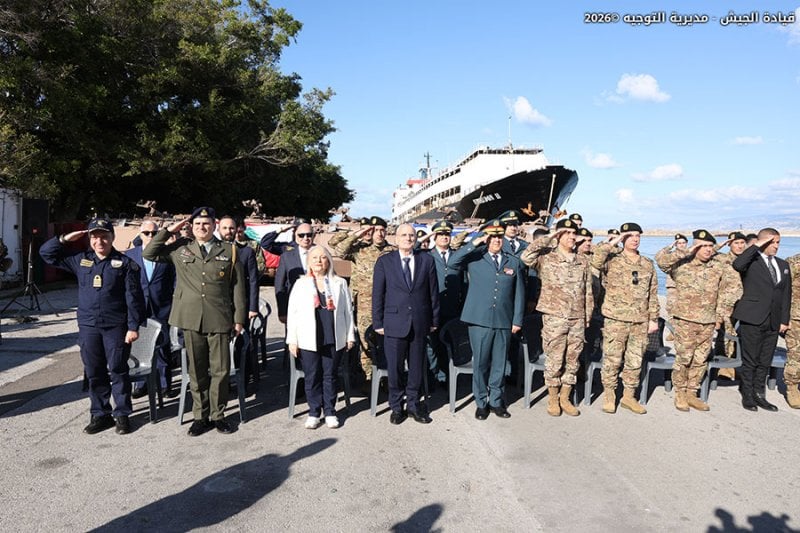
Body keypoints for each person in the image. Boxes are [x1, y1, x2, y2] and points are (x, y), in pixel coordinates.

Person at [143, 207, 247, 436]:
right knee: (196, 370)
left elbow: (239, 287)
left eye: (206, 224)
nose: (202, 227)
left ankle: (219, 415)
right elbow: (149, 253)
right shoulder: (181, 249)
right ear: (192, 226)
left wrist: (239, 318)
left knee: (220, 371)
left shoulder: (229, 251)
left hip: (220, 317)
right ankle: (201, 416)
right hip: (190, 318)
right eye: (198, 223)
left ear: (214, 225)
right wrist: (172, 228)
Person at [40, 217, 145, 435]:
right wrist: (65, 238)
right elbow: (46, 254)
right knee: (94, 371)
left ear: (112, 238)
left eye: (104, 236)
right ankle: (100, 414)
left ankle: (122, 414)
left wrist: (133, 327)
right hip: (89, 326)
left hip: (115, 326)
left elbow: (134, 298)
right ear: (89, 239)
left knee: (117, 369)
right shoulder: (80, 260)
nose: (100, 241)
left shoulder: (125, 264)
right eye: (95, 237)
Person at [655, 230, 742, 412]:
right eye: (704, 246)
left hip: (709, 321)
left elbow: (733, 289)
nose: (708, 250)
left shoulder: (718, 265)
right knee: (684, 358)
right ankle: (680, 393)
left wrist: (720, 314)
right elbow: (661, 260)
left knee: (700, 359)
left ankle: (691, 393)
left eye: (711, 246)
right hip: (685, 320)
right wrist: (686, 251)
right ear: (695, 247)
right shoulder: (681, 264)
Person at [450, 219, 525, 420]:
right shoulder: (475, 258)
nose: (496, 241)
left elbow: (519, 294)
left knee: (500, 365)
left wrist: (517, 320)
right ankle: (481, 402)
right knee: (481, 363)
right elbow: (453, 262)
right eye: (492, 237)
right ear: (487, 239)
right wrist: (476, 241)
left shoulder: (513, 262)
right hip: (479, 320)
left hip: (503, 320)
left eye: (499, 237)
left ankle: (496, 402)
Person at [520, 219, 593, 417]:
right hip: (554, 317)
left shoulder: (582, 260)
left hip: (577, 317)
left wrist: (587, 316)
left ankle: (565, 397)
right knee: (554, 359)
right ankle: (552, 398)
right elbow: (526, 257)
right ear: (559, 235)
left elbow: (587, 290)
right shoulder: (547, 258)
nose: (571, 236)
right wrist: (549, 236)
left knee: (573, 359)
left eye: (573, 233)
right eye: (566, 232)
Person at [372, 223, 440, 424]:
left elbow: (433, 293)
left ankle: (413, 405)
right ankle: (396, 406)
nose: (408, 238)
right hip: (393, 323)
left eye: (411, 235)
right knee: (395, 368)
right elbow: (378, 294)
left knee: (416, 368)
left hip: (419, 322)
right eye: (404, 235)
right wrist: (378, 322)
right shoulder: (385, 262)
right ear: (396, 238)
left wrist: (434, 320)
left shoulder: (426, 260)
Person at [591, 223, 659, 414]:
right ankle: (609, 394)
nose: (635, 239)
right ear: (623, 238)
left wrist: (653, 318)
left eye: (638, 236)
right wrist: (616, 241)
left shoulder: (647, 263)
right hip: (616, 318)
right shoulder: (612, 259)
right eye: (630, 236)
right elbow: (595, 260)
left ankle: (629, 396)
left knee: (635, 360)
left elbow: (652, 293)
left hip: (639, 320)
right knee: (612, 359)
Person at [286, 246, 356, 429]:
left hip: (333, 335)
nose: (319, 261)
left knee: (330, 375)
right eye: (315, 257)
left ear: (329, 262)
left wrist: (350, 335)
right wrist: (292, 340)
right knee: (312, 376)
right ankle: (314, 412)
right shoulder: (301, 284)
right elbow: (292, 313)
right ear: (309, 262)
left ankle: (331, 411)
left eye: (323, 258)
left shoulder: (339, 283)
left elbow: (348, 312)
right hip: (308, 338)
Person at [330, 216, 396, 387]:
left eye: (382, 230)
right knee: (366, 342)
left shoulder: (393, 251)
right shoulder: (360, 250)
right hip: (365, 304)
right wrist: (358, 233)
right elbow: (338, 250)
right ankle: (369, 378)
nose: (379, 234)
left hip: (389, 304)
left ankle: (387, 378)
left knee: (388, 341)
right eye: (374, 230)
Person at [731, 228, 791, 412]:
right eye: (773, 242)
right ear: (763, 242)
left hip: (773, 320)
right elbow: (737, 264)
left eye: (778, 242)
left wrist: (784, 320)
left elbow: (786, 295)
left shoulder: (782, 265)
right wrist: (756, 245)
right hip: (753, 317)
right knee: (751, 359)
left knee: (765, 360)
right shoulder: (751, 262)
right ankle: (747, 395)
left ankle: (760, 394)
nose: (776, 246)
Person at [126, 220, 177, 398]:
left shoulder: (168, 255)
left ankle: (164, 384)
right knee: (139, 345)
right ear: (140, 235)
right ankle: (141, 384)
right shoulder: (130, 255)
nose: (150, 236)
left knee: (163, 346)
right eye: (146, 233)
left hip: (161, 307)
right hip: (138, 307)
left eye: (154, 233)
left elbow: (175, 281)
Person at [427, 220, 467, 384]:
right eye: (440, 234)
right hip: (431, 309)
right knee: (431, 346)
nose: (444, 237)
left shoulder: (458, 256)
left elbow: (464, 282)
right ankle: (432, 374)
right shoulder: (427, 255)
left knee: (449, 344)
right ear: (435, 236)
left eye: (447, 234)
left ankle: (446, 376)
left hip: (452, 308)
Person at [713, 231, 747, 377]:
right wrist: (719, 245)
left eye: (742, 243)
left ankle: (733, 365)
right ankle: (722, 368)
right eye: (735, 243)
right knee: (724, 335)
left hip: (744, 304)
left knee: (738, 336)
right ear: (729, 244)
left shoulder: (749, 260)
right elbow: (708, 253)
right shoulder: (722, 259)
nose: (739, 246)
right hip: (725, 304)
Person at [274, 222, 316, 322]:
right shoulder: (287, 256)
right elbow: (280, 285)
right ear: (295, 236)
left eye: (309, 235)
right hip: (294, 306)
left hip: (317, 306)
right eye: (301, 235)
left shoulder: (321, 253)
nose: (305, 238)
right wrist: (282, 311)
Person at [783, 252, 800, 408]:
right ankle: (792, 387)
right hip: (796, 318)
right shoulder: (794, 262)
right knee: (796, 355)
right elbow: (783, 289)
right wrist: (783, 317)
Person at [664, 233, 688, 320]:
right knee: (672, 313)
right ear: (675, 244)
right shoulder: (671, 256)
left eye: (683, 243)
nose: (681, 245)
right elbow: (660, 257)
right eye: (679, 243)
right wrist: (670, 247)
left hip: (687, 287)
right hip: (673, 287)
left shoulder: (691, 255)